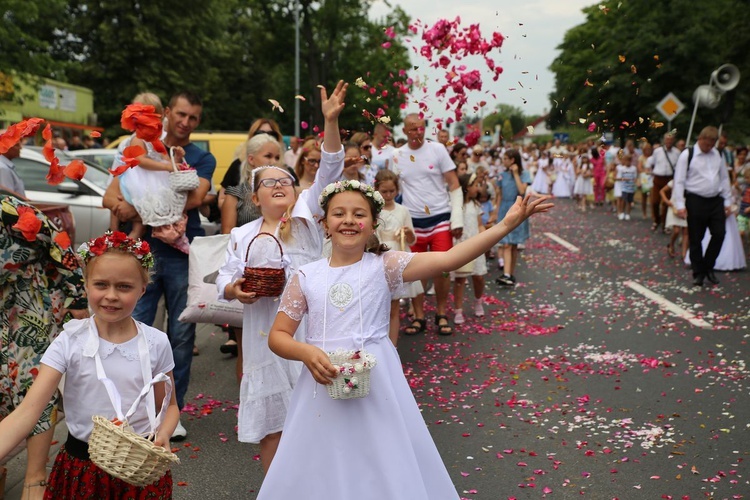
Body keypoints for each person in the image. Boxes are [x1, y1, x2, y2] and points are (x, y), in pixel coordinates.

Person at [258, 179, 552, 499]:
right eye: (339, 213)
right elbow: (278, 335)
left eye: (359, 214)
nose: (349, 221)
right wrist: (305, 352)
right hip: (320, 381)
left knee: (382, 455)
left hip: (377, 381)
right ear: (324, 223)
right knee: (324, 458)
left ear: (373, 224)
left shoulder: (385, 265)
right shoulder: (306, 276)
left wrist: (506, 225)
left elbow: (448, 259)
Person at [215, 81, 346, 474]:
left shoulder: (306, 216)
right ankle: (278, 489)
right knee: (274, 427)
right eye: (267, 183)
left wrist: (330, 122)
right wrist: (235, 290)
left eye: (284, 181)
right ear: (254, 199)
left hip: (310, 333)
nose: (278, 186)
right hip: (264, 339)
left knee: (316, 419)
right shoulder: (242, 234)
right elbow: (224, 278)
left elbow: (331, 168)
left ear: (295, 191)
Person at [0, 231, 179, 499]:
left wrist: (163, 434)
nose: (111, 295)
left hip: (139, 469)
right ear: (86, 284)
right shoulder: (69, 342)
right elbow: (28, 412)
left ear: (143, 289)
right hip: (81, 468)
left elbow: (170, 406)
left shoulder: (157, 342)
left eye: (124, 287)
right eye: (101, 284)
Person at [103, 91, 216, 440]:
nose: (185, 122)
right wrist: (131, 209)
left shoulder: (202, 157)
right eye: (180, 114)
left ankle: (171, 412)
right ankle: (132, 414)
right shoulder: (138, 144)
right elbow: (109, 195)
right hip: (142, 253)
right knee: (134, 330)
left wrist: (134, 209)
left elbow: (193, 198)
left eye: (193, 117)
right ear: (167, 112)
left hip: (183, 254)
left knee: (180, 337)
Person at [0, 196, 88, 500]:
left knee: (34, 386)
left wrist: (77, 297)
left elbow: (59, 247)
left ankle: (35, 478)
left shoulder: (8, 208)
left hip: (28, 307)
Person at [390, 113, 464, 336]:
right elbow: (394, 189)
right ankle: (419, 315)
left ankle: (441, 313)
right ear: (404, 131)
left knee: (442, 269)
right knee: (415, 271)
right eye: (413, 129)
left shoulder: (438, 150)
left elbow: (454, 184)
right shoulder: (397, 155)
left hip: (440, 216)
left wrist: (457, 218)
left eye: (421, 128)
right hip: (413, 220)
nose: (418, 132)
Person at [219, 133, 282, 370]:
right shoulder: (236, 192)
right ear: (252, 159)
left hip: (279, 284)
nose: (274, 161)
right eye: (268, 156)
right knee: (249, 355)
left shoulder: (284, 191)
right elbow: (228, 235)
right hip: (248, 281)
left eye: (277, 156)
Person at [112, 94, 192, 252]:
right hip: (141, 179)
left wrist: (176, 159)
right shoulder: (137, 139)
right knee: (146, 206)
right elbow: (140, 160)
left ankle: (171, 233)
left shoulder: (155, 139)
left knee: (163, 203)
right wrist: (166, 167)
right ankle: (133, 235)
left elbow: (163, 158)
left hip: (153, 178)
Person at [672, 126, 732, 286]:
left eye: (713, 144)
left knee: (719, 234)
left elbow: (724, 178)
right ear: (701, 139)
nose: (710, 147)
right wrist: (680, 205)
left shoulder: (718, 154)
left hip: (715, 200)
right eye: (708, 144)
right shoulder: (688, 154)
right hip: (695, 200)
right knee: (696, 238)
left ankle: (708, 266)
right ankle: (698, 272)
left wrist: (727, 201)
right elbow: (679, 180)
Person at [373, 169, 420, 345]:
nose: (388, 195)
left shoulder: (403, 210)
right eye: (384, 191)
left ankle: (393, 345)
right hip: (380, 256)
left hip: (398, 254)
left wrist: (407, 233)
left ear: (397, 190)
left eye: (392, 191)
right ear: (377, 189)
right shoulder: (375, 210)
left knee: (394, 304)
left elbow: (412, 238)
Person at [451, 173, 487, 325]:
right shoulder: (456, 206)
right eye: (474, 185)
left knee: (478, 277)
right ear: (467, 187)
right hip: (461, 245)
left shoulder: (476, 205)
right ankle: (458, 309)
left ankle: (478, 300)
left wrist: (484, 233)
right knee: (460, 278)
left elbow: (479, 224)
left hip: (476, 244)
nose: (477, 188)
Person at [494, 148, 532, 286]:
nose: (503, 161)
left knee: (514, 244)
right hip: (505, 208)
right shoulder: (501, 175)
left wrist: (515, 173)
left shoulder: (524, 174)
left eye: (506, 159)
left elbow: (522, 191)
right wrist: (495, 212)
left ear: (513, 160)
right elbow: (499, 195)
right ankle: (506, 274)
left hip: (517, 208)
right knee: (507, 244)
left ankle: (510, 273)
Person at [647, 132, 681, 232]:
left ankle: (664, 224)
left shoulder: (677, 152)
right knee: (655, 202)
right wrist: (651, 172)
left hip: (669, 179)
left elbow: (678, 166)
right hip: (658, 178)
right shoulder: (657, 151)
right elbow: (652, 162)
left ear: (673, 141)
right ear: (664, 140)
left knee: (667, 203)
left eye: (671, 140)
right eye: (667, 139)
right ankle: (656, 220)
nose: (669, 142)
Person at [661, 180, 689, 259]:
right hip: (674, 206)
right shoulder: (674, 181)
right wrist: (667, 201)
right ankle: (671, 244)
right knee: (676, 231)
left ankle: (684, 254)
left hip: (687, 207)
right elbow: (662, 191)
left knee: (686, 232)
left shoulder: (691, 182)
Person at [616, 153, 637, 221]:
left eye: (629, 160)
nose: (627, 162)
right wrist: (624, 179)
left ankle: (628, 213)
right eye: (626, 160)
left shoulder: (634, 168)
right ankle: (622, 212)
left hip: (631, 187)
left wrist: (635, 183)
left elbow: (635, 178)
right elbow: (619, 178)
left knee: (629, 201)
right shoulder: (622, 169)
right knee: (623, 200)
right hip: (624, 187)